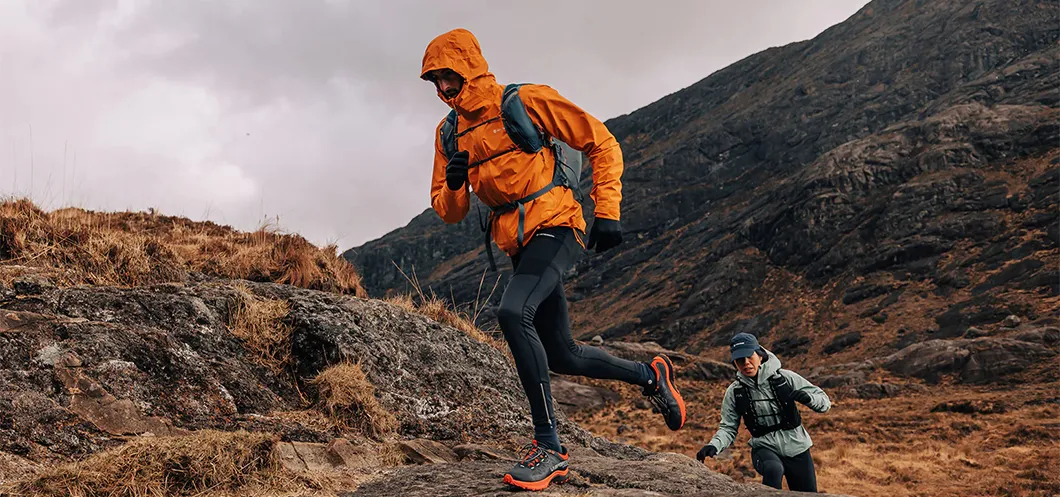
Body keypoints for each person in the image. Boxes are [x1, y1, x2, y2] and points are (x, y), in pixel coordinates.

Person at [420, 28, 686, 491]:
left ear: (469, 68)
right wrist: (457, 183)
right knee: (563, 354)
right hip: (519, 242)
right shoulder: (448, 133)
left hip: (558, 223)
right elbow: (449, 210)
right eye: (435, 80)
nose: (443, 88)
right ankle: (650, 376)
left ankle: (549, 448)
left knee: (511, 312)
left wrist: (607, 211)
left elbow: (601, 141)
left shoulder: (523, 100)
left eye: (448, 76)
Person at [696, 333, 831, 492]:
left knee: (808, 494)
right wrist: (714, 445)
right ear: (735, 363)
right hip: (764, 448)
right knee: (774, 469)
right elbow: (728, 427)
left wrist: (809, 399)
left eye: (749, 357)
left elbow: (825, 403)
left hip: (798, 447)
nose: (746, 363)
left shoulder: (786, 378)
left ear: (760, 356)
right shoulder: (734, 392)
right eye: (740, 360)